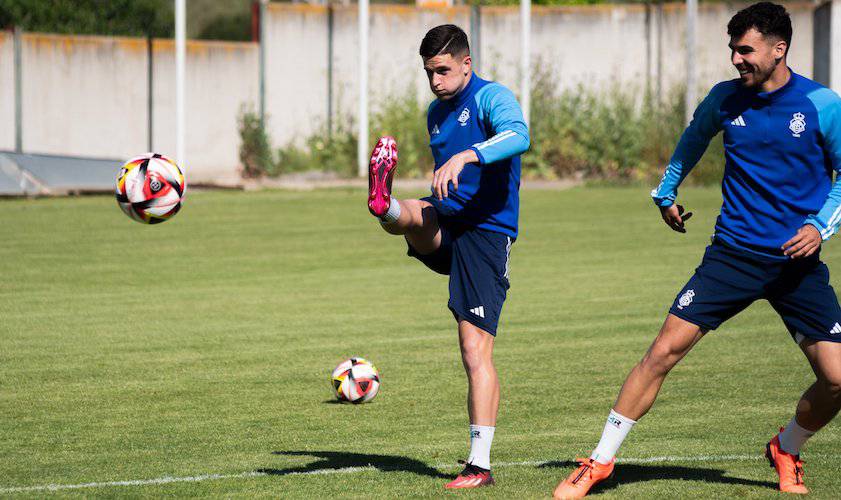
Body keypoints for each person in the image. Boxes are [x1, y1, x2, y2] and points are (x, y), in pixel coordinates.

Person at [553, 3, 841, 498]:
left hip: (797, 265)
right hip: (731, 256)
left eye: (746, 49)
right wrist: (666, 192)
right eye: (732, 49)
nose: (736, 59)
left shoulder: (822, 104)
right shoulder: (725, 100)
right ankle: (598, 462)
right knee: (661, 352)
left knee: (838, 380)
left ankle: (787, 447)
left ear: (779, 49)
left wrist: (819, 227)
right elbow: (692, 141)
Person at [367, 24, 529, 489]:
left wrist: (470, 156)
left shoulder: (491, 97)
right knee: (413, 215)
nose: (436, 81)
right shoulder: (436, 114)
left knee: (474, 348)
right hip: (449, 223)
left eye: (442, 70)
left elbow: (519, 136)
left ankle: (480, 465)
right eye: (428, 73)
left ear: (466, 64)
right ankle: (383, 204)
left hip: (485, 235)